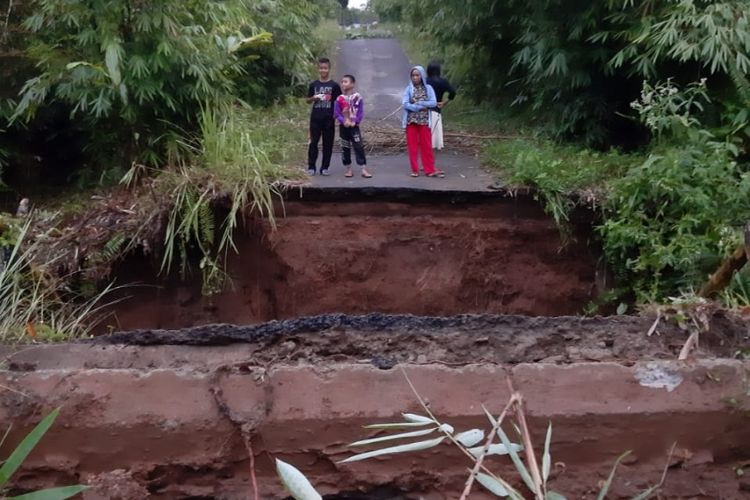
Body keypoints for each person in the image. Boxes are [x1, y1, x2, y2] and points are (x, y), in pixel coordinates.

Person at [402, 66, 444, 178]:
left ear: (422, 76)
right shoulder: (408, 89)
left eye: (417, 75)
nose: (415, 77)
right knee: (412, 146)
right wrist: (418, 107)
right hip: (411, 121)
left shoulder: (428, 88)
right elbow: (405, 104)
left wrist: (419, 103)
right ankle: (415, 170)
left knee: (427, 146)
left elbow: (433, 103)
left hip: (424, 121)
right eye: (413, 75)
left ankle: (429, 170)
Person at [306, 57, 342, 176]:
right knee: (313, 143)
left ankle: (325, 167)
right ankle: (311, 167)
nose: (323, 70)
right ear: (318, 69)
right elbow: (307, 100)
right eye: (321, 68)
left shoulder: (334, 85)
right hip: (315, 118)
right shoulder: (313, 84)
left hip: (329, 119)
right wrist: (314, 98)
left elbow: (339, 101)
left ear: (329, 69)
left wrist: (337, 116)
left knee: (328, 144)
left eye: (325, 68)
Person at [334, 74, 372, 178]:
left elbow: (360, 111)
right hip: (344, 127)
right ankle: (348, 169)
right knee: (345, 147)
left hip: (354, 127)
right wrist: (343, 121)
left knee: (358, 146)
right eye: (342, 82)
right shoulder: (339, 99)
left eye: (345, 81)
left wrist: (355, 121)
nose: (343, 84)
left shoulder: (357, 97)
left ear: (352, 84)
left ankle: (363, 168)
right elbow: (337, 113)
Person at [426, 61, 457, 150]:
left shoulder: (425, 81)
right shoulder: (443, 82)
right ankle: (436, 144)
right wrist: (445, 102)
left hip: (425, 107)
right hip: (437, 107)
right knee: (436, 127)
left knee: (425, 126)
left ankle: (425, 143)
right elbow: (453, 92)